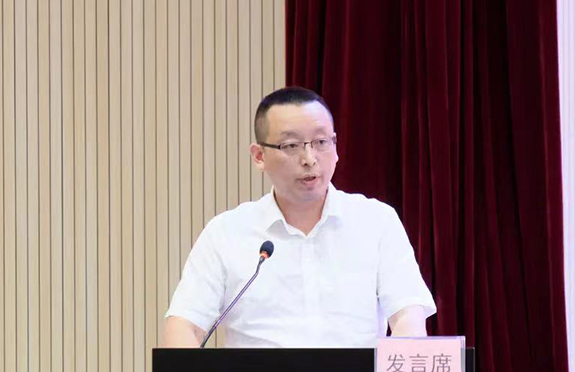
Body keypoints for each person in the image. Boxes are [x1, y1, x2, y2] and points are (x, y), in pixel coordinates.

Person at [162, 86, 436, 348]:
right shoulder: (227, 232)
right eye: (291, 145)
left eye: (321, 142)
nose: (309, 158)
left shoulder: (376, 222)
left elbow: (407, 317)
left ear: (336, 146)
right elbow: (184, 325)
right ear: (259, 156)